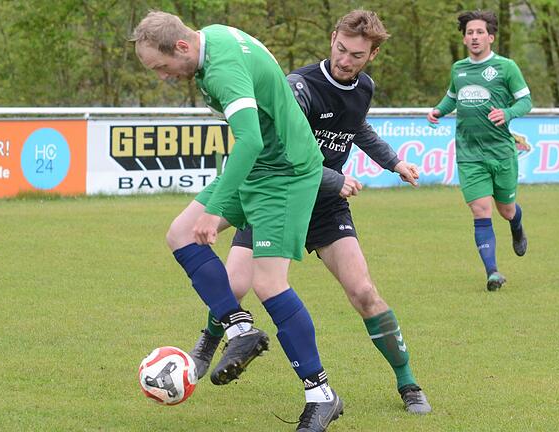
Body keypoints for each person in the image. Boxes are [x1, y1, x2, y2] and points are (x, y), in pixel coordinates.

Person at [188, 10, 432, 415]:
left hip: (323, 207)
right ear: (333, 37)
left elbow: (357, 128)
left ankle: (408, 382)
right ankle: (205, 348)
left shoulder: (363, 88)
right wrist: (333, 178)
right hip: (277, 191)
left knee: (364, 292)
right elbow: (286, 146)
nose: (345, 59)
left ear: (371, 55)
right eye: (341, 48)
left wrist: (393, 163)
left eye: (356, 54)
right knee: (232, 286)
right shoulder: (298, 87)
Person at [130, 11, 343, 431]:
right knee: (179, 234)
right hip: (259, 167)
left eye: (162, 66)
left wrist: (215, 209)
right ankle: (239, 328)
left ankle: (322, 395)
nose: (164, 76)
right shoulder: (212, 39)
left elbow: (250, 138)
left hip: (286, 171)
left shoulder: (222, 68)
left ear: (183, 47)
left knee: (267, 283)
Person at [426, 10, 532, 291]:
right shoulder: (458, 69)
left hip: (501, 152)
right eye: (469, 33)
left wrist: (508, 113)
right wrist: (438, 110)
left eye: (479, 32)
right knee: (480, 210)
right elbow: (451, 98)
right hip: (469, 153)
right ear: (464, 39)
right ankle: (493, 272)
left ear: (491, 37)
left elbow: (526, 101)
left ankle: (517, 224)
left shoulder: (506, 67)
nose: (474, 37)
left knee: (506, 210)